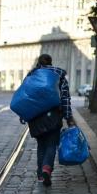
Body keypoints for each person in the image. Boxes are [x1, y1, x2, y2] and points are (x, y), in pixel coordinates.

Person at [27, 54, 75, 186]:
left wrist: (24, 115)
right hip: (54, 115)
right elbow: (65, 99)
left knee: (41, 145)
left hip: (36, 117)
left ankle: (40, 174)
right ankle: (46, 169)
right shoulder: (59, 76)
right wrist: (68, 117)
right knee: (51, 144)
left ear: (39, 63)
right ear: (51, 63)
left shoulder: (31, 76)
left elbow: (25, 97)